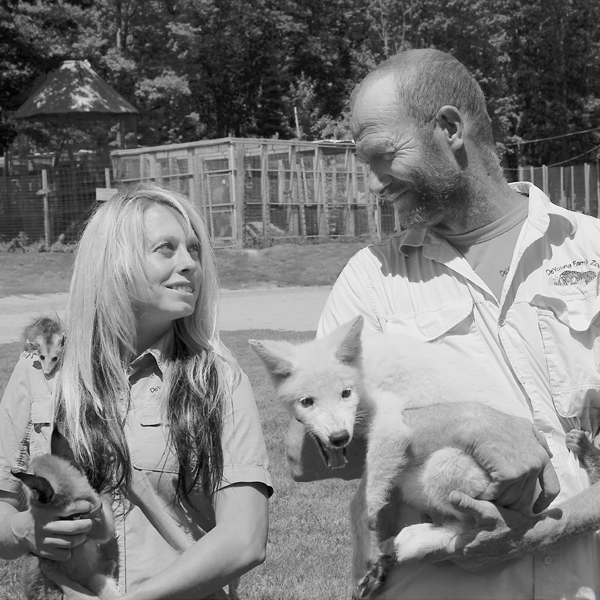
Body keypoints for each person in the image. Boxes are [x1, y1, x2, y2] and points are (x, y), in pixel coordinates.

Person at [286, 48, 600, 599]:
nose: (375, 182)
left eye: (384, 154)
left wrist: (541, 533)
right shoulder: (370, 280)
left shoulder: (590, 249)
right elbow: (305, 454)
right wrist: (460, 422)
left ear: (451, 128)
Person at [0, 185, 272, 599]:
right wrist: (24, 530)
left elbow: (245, 538)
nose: (189, 264)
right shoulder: (42, 367)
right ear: (114, 262)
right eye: (166, 248)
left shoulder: (216, 377)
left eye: (194, 250)